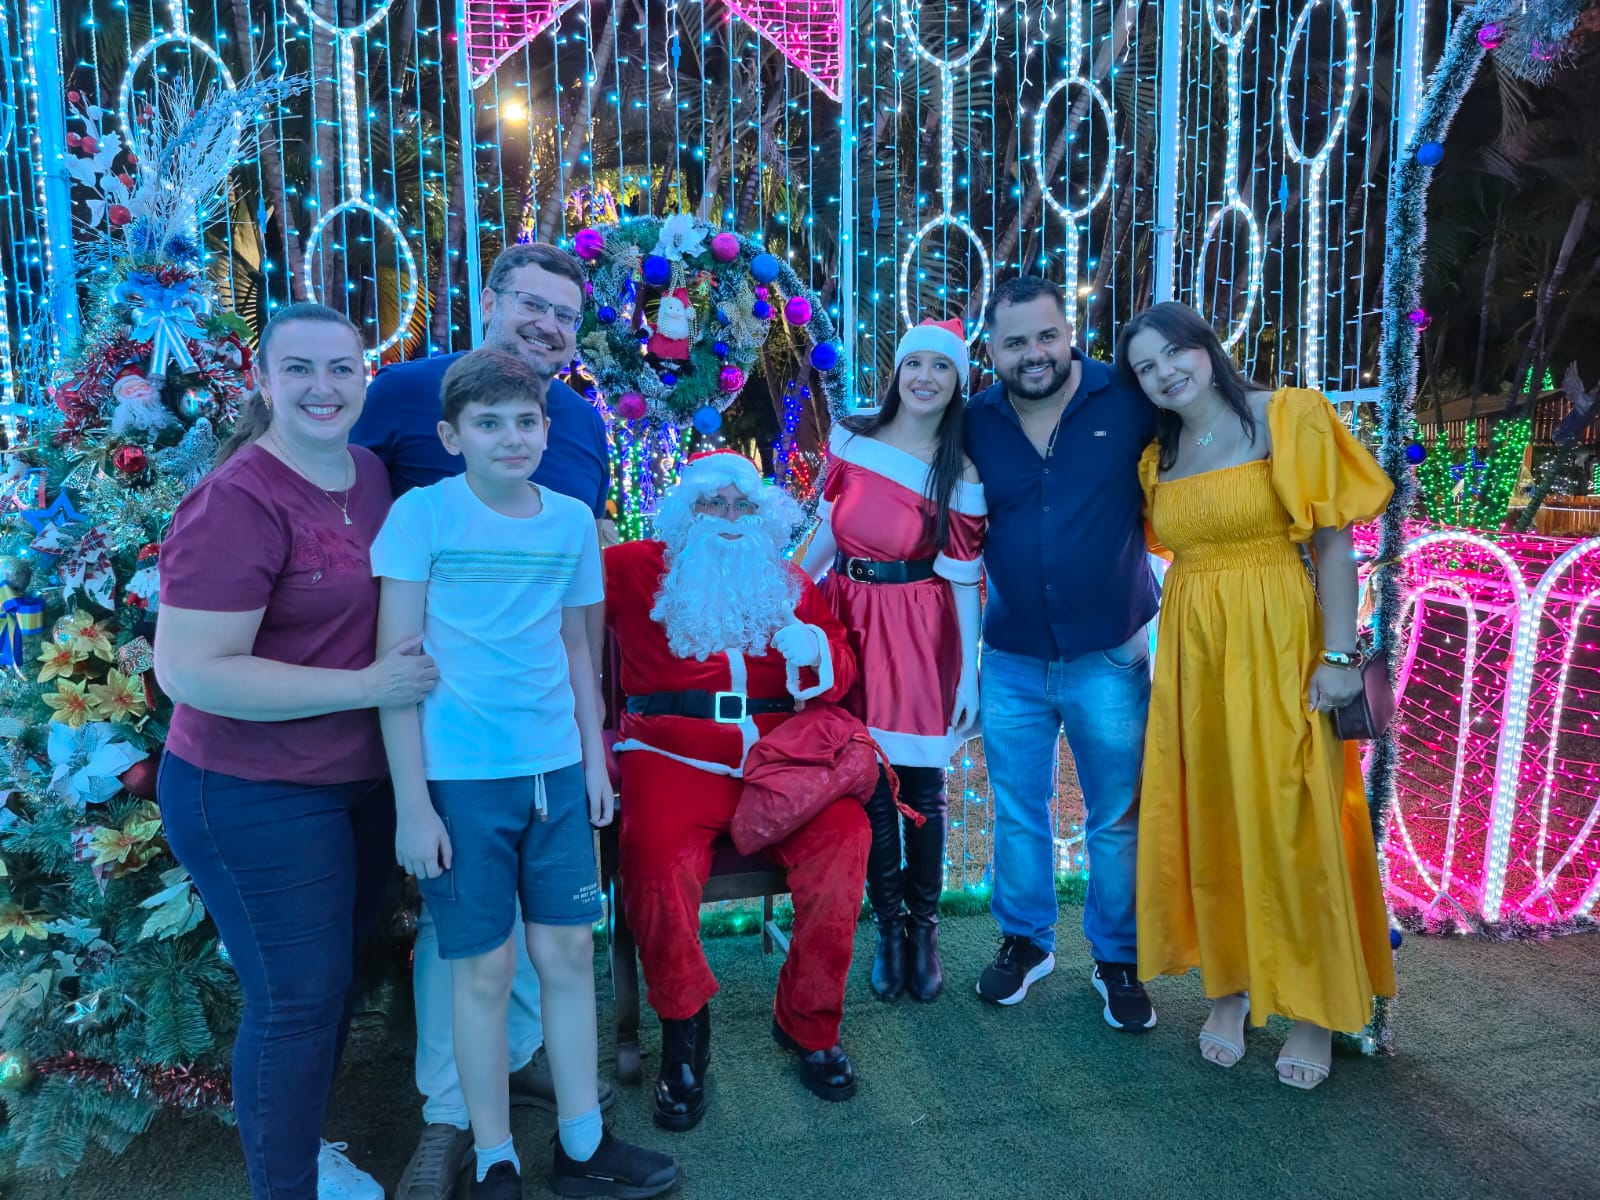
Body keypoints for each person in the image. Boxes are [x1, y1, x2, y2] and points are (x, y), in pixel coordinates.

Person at [371, 349, 677, 1198]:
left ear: (548, 427)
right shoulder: (422, 517)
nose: (512, 437)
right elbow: (394, 667)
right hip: (462, 782)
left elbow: (579, 646)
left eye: (527, 420)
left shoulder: (573, 520)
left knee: (567, 955)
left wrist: (594, 757)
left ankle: (582, 1144)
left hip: (556, 775)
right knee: (484, 969)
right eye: (489, 423)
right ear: (451, 434)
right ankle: (496, 1155)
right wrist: (411, 804)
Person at [154, 303, 441, 1200]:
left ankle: (300, 1152)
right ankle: (287, 1185)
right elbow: (189, 671)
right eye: (301, 369)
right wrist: (362, 689)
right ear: (263, 381)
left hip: (355, 784)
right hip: (251, 790)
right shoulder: (235, 501)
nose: (324, 387)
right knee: (296, 999)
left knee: (327, 989)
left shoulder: (366, 472)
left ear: (366, 377)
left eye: (343, 369)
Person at [350, 242, 616, 1200]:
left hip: (547, 738)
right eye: (532, 305)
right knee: (466, 951)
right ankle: (454, 1118)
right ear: (493, 299)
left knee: (557, 947)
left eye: (566, 315)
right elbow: (352, 515)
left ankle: (550, 1090)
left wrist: (593, 745)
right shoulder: (406, 395)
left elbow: (576, 621)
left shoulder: (578, 427)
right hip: (455, 747)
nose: (548, 324)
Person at [1118, 301, 1397, 1090]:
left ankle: (1313, 1005)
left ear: (1207, 348)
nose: (1165, 373)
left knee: (1295, 815)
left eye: (1175, 353)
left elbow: (1335, 541)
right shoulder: (1156, 457)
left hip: (1281, 643)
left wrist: (1341, 654)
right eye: (1145, 367)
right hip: (1195, 655)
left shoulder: (1288, 416)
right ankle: (1229, 989)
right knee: (1212, 812)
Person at [605, 450, 868, 1131]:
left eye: (742, 505)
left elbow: (841, 663)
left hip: (780, 759)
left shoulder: (788, 582)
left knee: (846, 836)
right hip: (671, 754)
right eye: (710, 504)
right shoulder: (634, 569)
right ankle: (685, 1033)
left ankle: (809, 1023)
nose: (727, 517)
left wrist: (814, 646)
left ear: (762, 517)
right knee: (656, 861)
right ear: (681, 514)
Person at [964, 275, 1159, 1030]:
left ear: (1067, 329)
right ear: (992, 348)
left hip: (1108, 654)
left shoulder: (1126, 399)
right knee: (1018, 809)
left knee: (1117, 815)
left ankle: (1118, 956)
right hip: (1009, 655)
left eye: (1046, 335)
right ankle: (1026, 941)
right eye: (1014, 342)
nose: (1033, 353)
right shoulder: (974, 417)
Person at [800, 318, 985, 1003]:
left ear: (958, 382)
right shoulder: (851, 437)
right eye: (916, 365)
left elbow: (964, 578)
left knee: (923, 789)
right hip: (848, 617)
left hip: (918, 626)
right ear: (898, 373)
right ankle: (889, 928)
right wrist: (784, 595)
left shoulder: (958, 471)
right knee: (869, 783)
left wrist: (968, 672)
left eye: (942, 367)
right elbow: (825, 532)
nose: (926, 378)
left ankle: (925, 928)